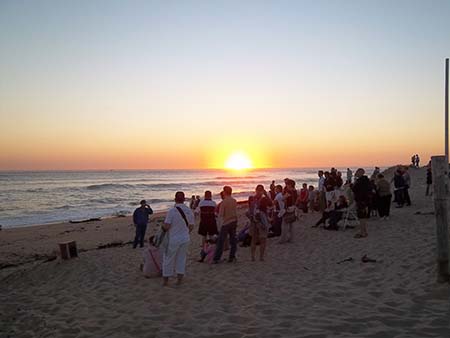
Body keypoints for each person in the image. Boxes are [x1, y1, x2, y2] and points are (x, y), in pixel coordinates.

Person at [162, 191, 194, 286]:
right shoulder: (189, 211)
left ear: (175, 199)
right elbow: (191, 226)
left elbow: (167, 226)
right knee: (181, 259)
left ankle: (166, 281)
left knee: (168, 259)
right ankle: (179, 280)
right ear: (184, 199)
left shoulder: (172, 211)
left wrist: (162, 227)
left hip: (173, 238)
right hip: (185, 238)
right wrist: (185, 232)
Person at [213, 186, 238, 263]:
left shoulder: (223, 202)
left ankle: (216, 258)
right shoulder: (234, 200)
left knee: (221, 241)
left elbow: (220, 215)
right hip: (234, 221)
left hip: (226, 222)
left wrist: (218, 224)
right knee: (233, 240)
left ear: (225, 192)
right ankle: (232, 257)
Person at [248, 185, 272, 261]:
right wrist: (266, 194)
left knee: (253, 240)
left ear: (255, 190)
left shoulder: (251, 198)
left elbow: (250, 210)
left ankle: (252, 257)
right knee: (263, 240)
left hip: (254, 221)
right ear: (262, 191)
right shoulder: (264, 199)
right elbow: (271, 204)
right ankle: (261, 257)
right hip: (262, 222)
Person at [352, 168, 371, 238]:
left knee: (361, 217)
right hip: (364, 200)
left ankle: (363, 232)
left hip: (361, 201)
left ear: (361, 173)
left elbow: (354, 189)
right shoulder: (366, 180)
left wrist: (354, 181)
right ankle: (364, 232)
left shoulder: (360, 181)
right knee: (363, 217)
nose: (356, 173)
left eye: (357, 172)